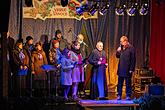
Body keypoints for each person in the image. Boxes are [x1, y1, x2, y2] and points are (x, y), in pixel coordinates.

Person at [116, 36, 136, 100]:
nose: (121, 43)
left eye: (121, 41)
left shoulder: (131, 48)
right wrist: (118, 51)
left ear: (125, 41)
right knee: (119, 83)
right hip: (121, 68)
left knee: (128, 83)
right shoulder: (121, 48)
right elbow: (117, 56)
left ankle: (128, 95)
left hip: (128, 69)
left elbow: (133, 59)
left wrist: (131, 69)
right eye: (120, 42)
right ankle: (119, 94)